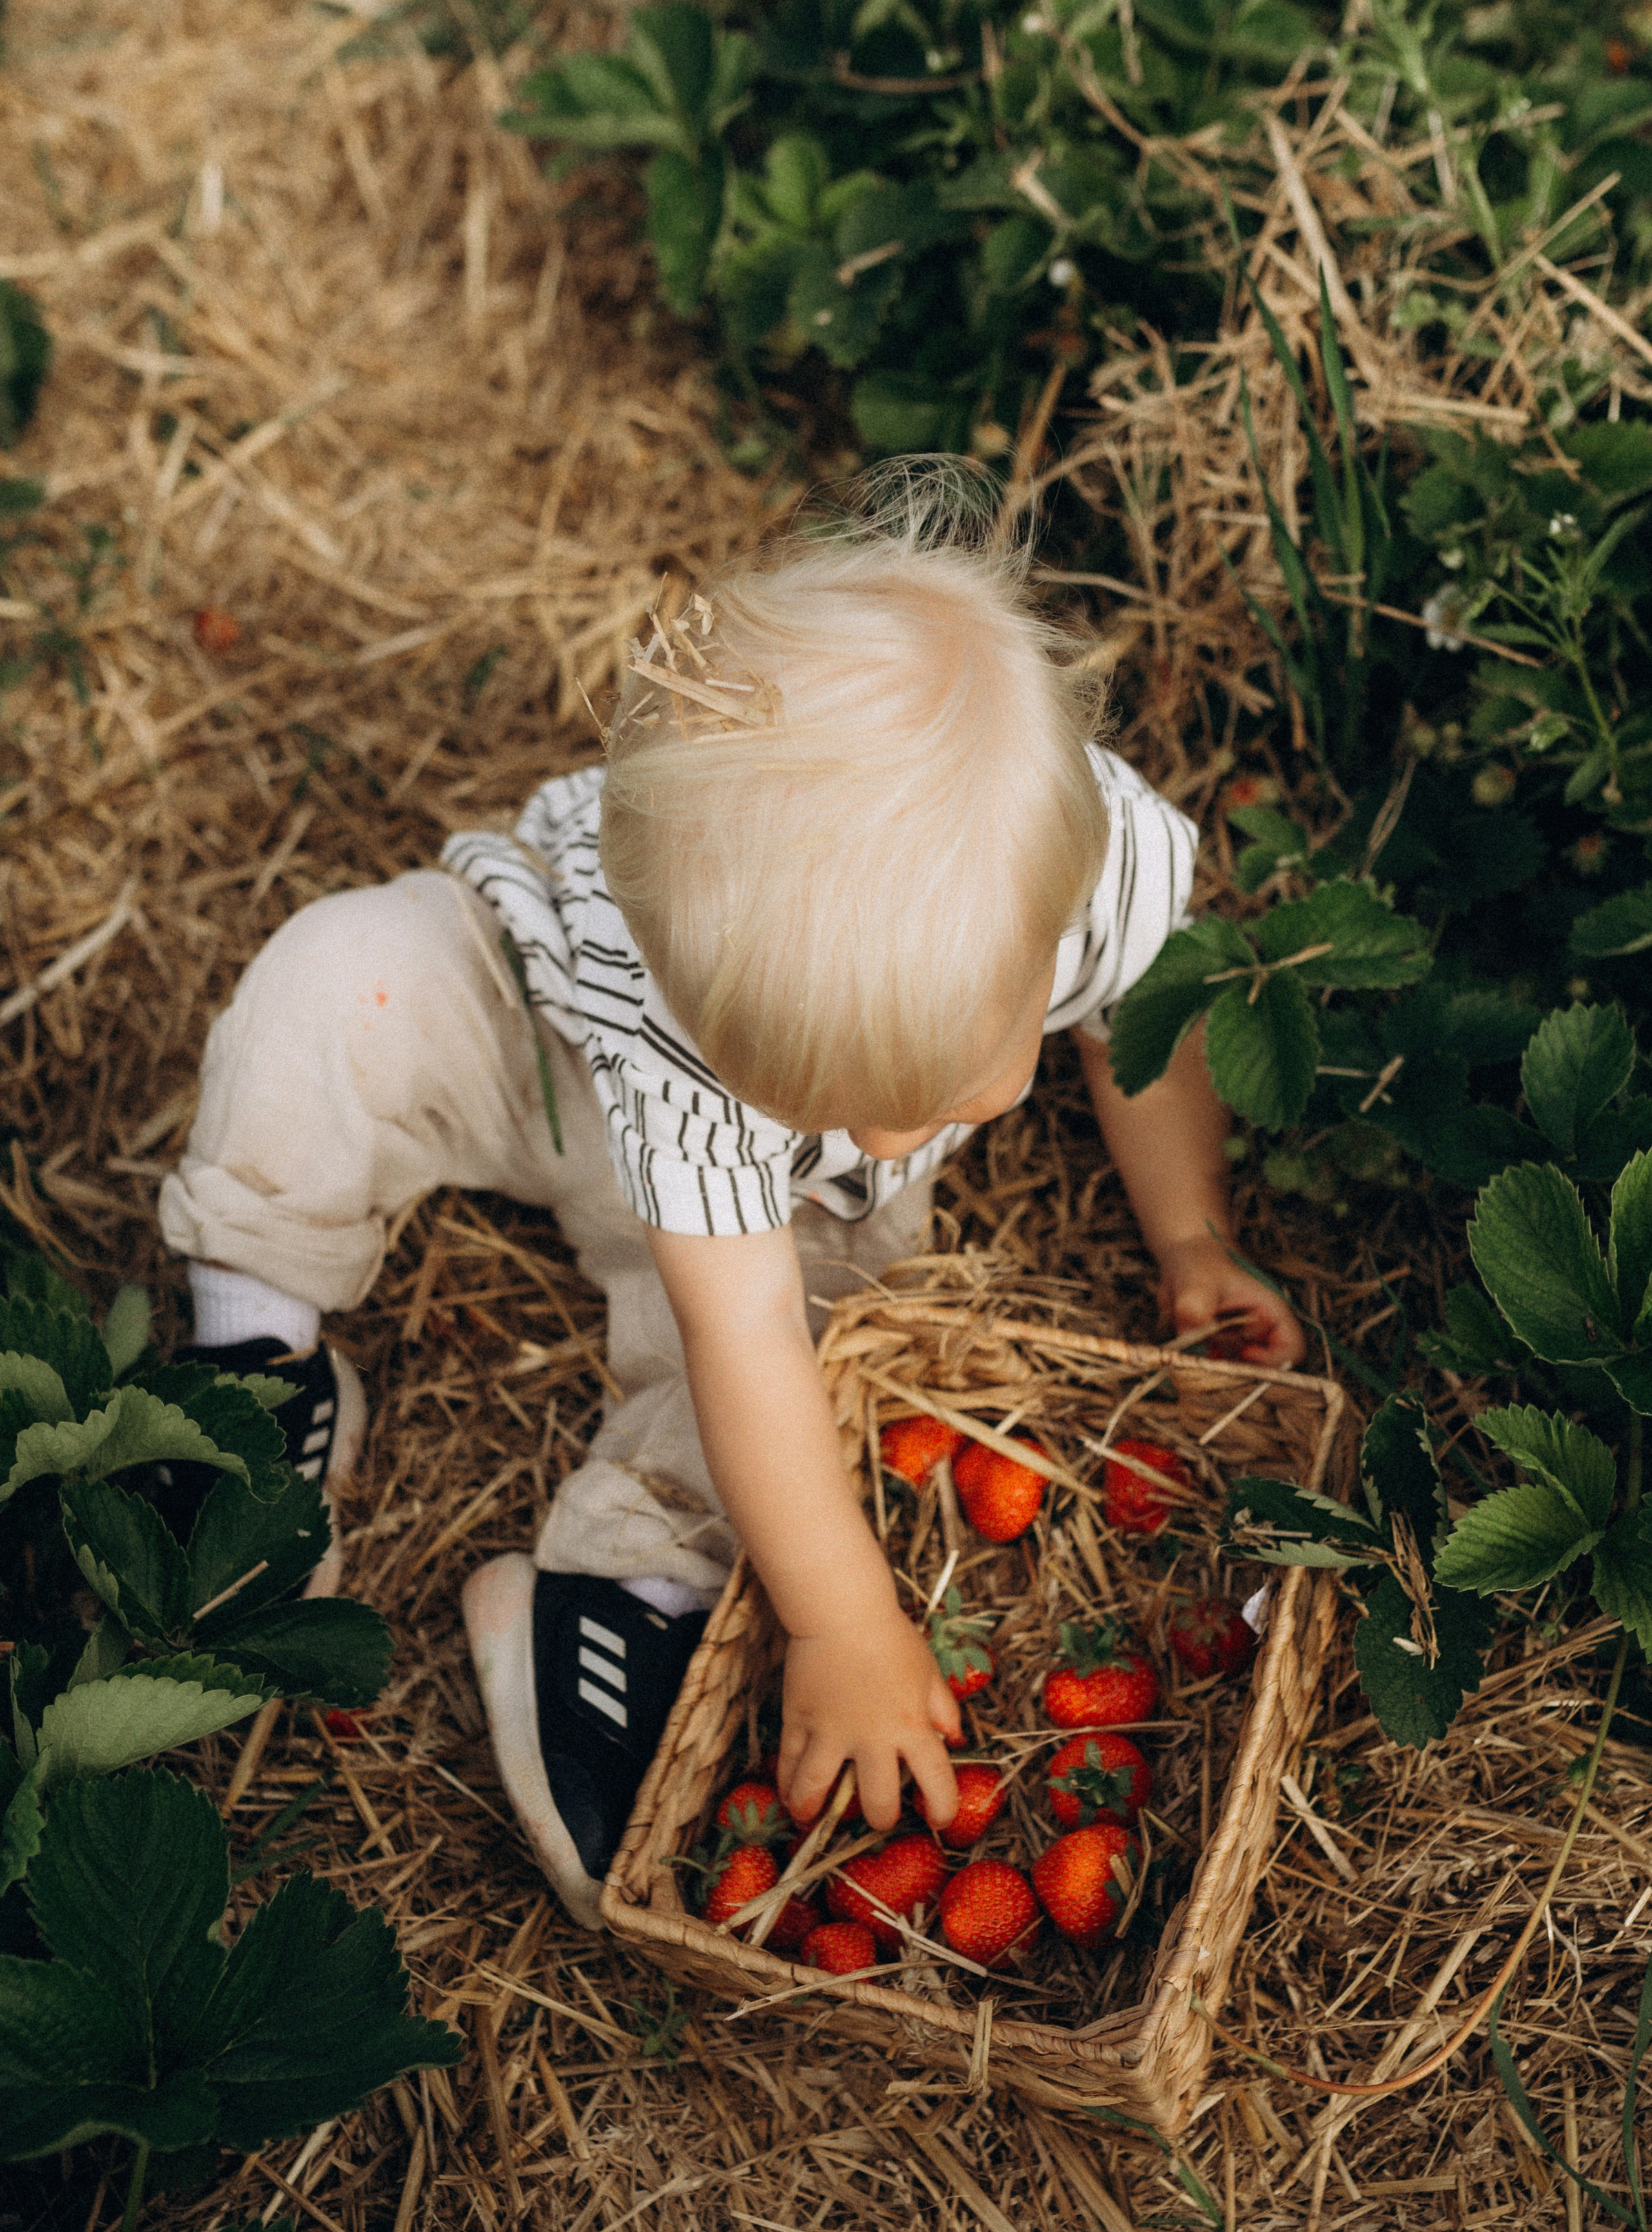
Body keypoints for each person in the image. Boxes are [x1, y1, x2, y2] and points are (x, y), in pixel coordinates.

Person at [157, 462, 1304, 1931]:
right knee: (336, 983)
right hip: (549, 1033)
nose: (879, 1125)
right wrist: (842, 1617)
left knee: (835, 1343)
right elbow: (734, 1325)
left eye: (933, 1088)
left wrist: (1190, 1233)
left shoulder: (1085, 862)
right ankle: (252, 1337)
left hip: (785, 1194)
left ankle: (619, 1600)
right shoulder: (689, 1024)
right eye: (830, 1089)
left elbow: (1141, 1025)